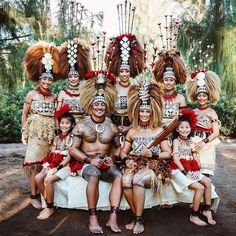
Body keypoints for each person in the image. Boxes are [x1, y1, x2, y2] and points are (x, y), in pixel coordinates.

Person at [69, 71, 122, 234]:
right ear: (91, 106)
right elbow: (72, 149)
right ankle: (93, 217)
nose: (99, 107)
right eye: (96, 105)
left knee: (119, 176)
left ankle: (113, 217)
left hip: (105, 162)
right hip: (87, 163)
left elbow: (121, 145)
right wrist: (89, 160)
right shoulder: (81, 125)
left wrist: (112, 158)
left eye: (102, 105)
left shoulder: (111, 125)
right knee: (94, 175)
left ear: (106, 107)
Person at [121, 79, 172, 234]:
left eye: (147, 111)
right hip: (135, 164)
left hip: (154, 165)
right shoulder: (132, 131)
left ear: (152, 112)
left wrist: (153, 153)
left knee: (137, 179)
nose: (144, 114)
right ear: (137, 112)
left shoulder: (159, 131)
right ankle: (137, 215)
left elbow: (167, 154)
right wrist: (127, 159)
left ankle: (138, 219)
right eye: (142, 111)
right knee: (125, 180)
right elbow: (123, 151)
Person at [22, 42, 60, 209]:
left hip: (50, 133)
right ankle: (33, 196)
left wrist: (58, 132)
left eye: (49, 79)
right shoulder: (32, 94)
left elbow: (57, 116)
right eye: (44, 78)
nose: (46, 81)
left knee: (47, 164)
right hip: (35, 132)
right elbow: (24, 113)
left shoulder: (54, 97)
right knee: (34, 163)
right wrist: (25, 129)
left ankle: (47, 194)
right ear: (40, 79)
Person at [170, 108, 216, 226]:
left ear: (191, 128)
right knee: (199, 188)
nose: (184, 130)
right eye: (182, 127)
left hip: (190, 169)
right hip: (178, 170)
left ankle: (207, 210)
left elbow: (195, 158)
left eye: (187, 127)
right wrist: (187, 173)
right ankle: (194, 215)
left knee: (207, 181)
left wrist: (196, 171)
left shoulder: (190, 142)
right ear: (177, 129)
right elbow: (175, 159)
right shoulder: (176, 141)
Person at [105, 0, 144, 138]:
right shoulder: (112, 87)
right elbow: (106, 110)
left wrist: (129, 127)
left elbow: (141, 110)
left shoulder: (136, 88)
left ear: (130, 71)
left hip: (131, 125)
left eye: (126, 71)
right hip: (113, 125)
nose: (124, 74)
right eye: (121, 71)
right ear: (118, 71)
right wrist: (114, 126)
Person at [35, 105, 78, 220]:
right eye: (62, 123)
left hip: (66, 165)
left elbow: (69, 156)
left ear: (72, 124)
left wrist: (56, 168)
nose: (64, 125)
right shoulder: (57, 138)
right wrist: (47, 165)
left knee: (48, 179)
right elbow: (52, 154)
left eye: (67, 123)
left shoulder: (74, 138)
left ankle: (49, 208)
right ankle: (48, 201)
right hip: (55, 163)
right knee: (38, 178)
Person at [186, 69, 221, 176]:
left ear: (208, 97)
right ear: (196, 97)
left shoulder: (212, 113)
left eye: (204, 95)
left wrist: (203, 142)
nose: (201, 98)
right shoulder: (193, 112)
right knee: (194, 173)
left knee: (205, 174)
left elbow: (216, 133)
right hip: (193, 145)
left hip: (207, 146)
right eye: (199, 95)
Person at [56, 39, 91, 130]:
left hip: (83, 126)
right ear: (68, 77)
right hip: (66, 127)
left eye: (75, 76)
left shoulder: (85, 92)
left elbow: (89, 112)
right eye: (71, 76)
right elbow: (57, 112)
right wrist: (57, 129)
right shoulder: (62, 93)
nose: (73, 79)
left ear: (79, 77)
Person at [153, 49, 187, 127]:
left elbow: (183, 118)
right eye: (166, 80)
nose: (168, 83)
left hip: (175, 128)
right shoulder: (159, 97)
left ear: (175, 82)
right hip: (159, 129)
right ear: (163, 81)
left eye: (171, 80)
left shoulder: (180, 98)